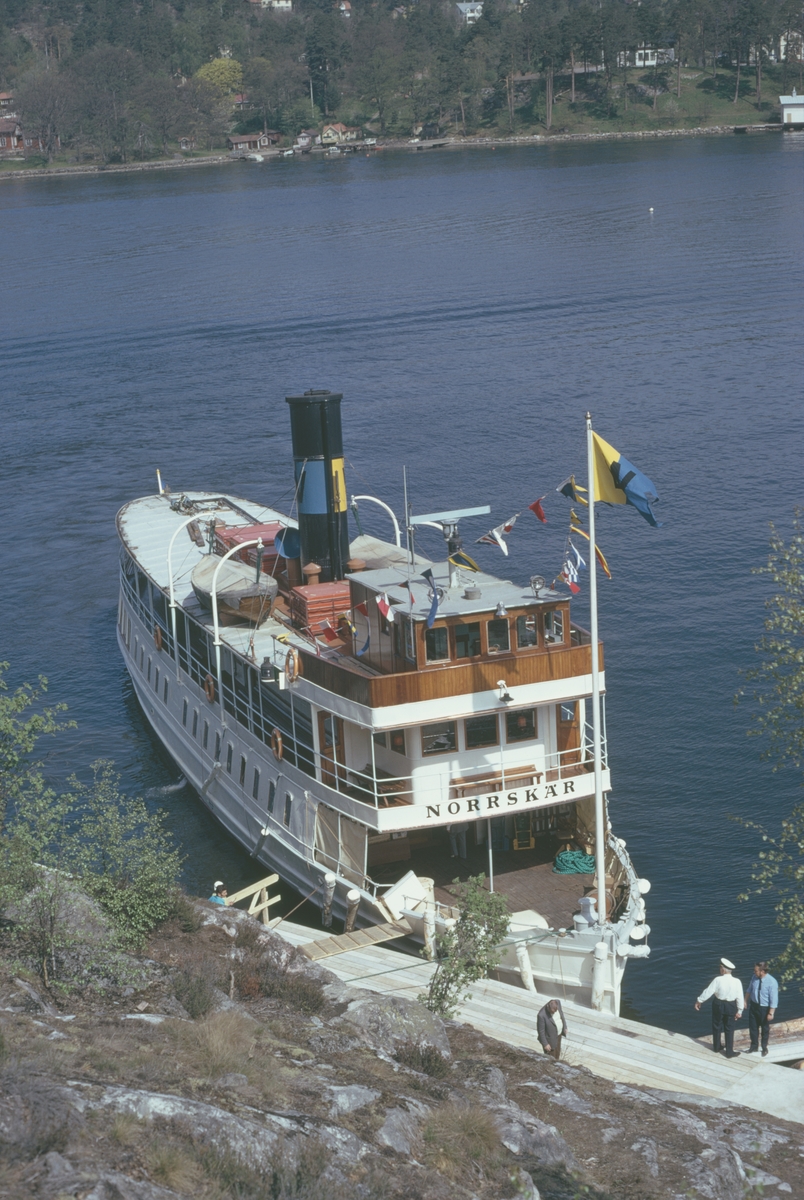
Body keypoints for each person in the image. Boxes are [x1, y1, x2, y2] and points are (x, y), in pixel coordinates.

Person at [695, 957, 743, 1057]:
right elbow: (740, 997)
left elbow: (708, 991)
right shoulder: (737, 981)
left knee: (717, 1025)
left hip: (718, 1004)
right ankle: (729, 1052)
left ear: (723, 969)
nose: (719, 969)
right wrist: (740, 1010)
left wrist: (699, 1001)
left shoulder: (718, 980)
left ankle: (716, 1047)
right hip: (731, 1005)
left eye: (720, 967)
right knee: (729, 1028)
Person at [745, 961, 779, 1057]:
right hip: (754, 1006)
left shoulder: (772, 982)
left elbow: (774, 999)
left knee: (764, 1029)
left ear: (762, 971)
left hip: (764, 1008)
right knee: (753, 1027)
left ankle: (764, 1048)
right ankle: (754, 1046)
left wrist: (771, 1013)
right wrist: (745, 1000)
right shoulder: (754, 978)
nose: (754, 972)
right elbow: (749, 989)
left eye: (756, 971)